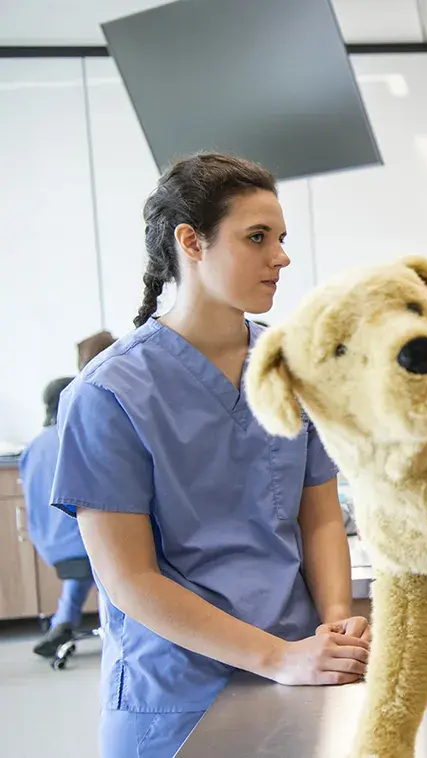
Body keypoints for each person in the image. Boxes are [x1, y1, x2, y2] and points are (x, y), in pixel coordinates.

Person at [49, 153, 371, 758]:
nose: (281, 257)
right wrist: (279, 657)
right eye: (257, 238)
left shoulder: (290, 368)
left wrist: (332, 626)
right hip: (178, 694)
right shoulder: (108, 393)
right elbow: (129, 580)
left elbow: (320, 512)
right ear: (191, 242)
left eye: (280, 238)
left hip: (303, 672)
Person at [21, 376, 91, 657]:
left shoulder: (34, 446)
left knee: (81, 571)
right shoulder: (75, 435)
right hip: (82, 540)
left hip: (51, 545)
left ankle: (61, 623)